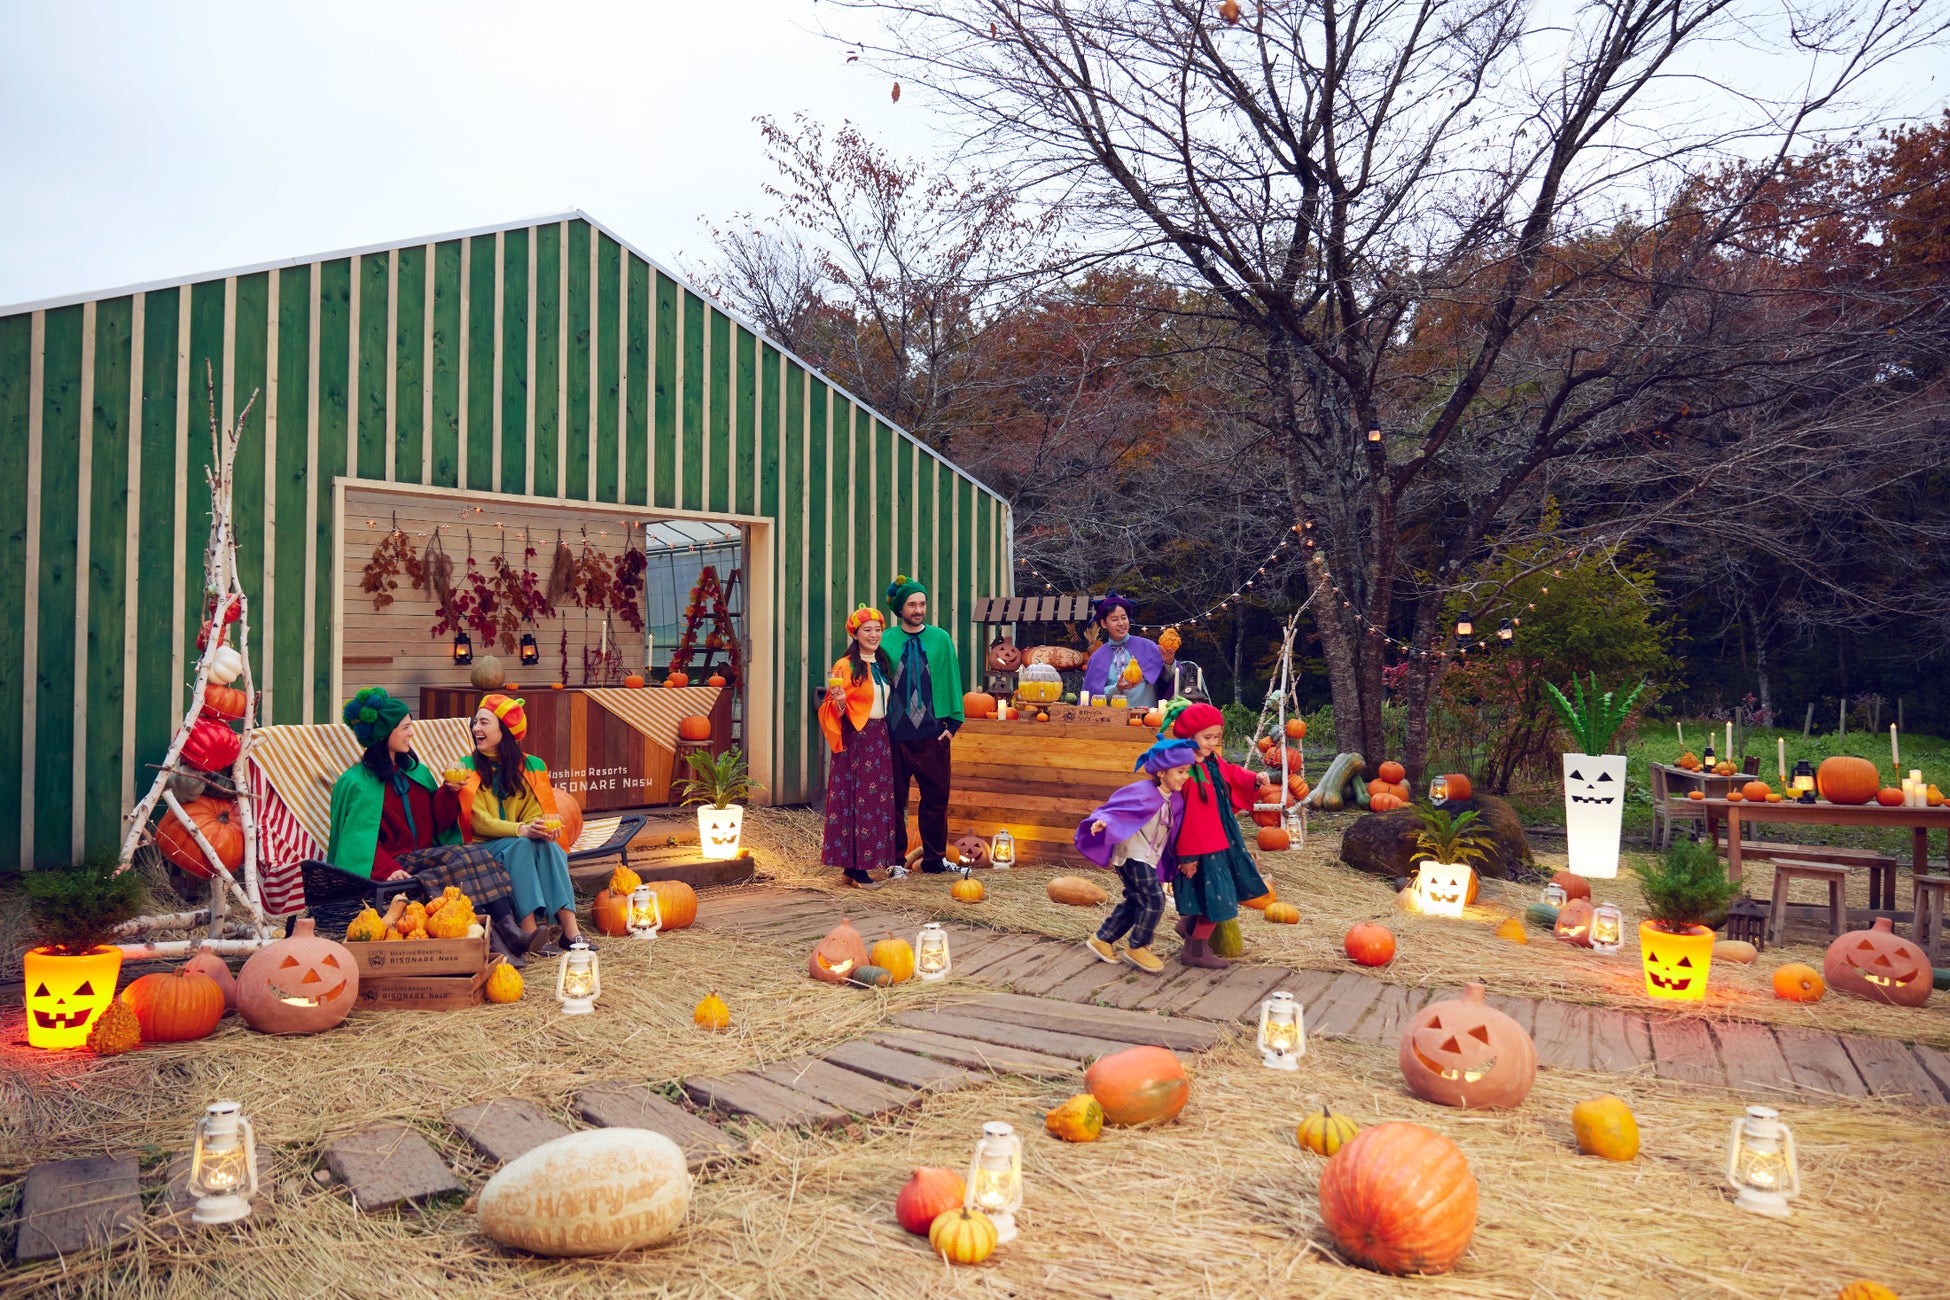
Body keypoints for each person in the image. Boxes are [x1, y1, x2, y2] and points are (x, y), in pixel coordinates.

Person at [325, 688, 534, 965]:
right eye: (406, 728)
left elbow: (439, 823)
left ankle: (508, 933)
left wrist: (448, 792)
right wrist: (388, 869)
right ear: (384, 734)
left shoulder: (416, 772)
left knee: (472, 856)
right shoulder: (357, 782)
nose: (411, 733)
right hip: (395, 864)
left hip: (426, 856)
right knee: (463, 859)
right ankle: (497, 942)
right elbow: (358, 841)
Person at [456, 693, 586, 952]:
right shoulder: (466, 767)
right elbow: (478, 821)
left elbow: (536, 810)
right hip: (480, 847)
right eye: (475, 723)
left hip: (519, 840)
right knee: (522, 846)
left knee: (550, 846)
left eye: (483, 723)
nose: (476, 729)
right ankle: (529, 932)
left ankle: (571, 933)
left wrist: (537, 827)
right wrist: (522, 830)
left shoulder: (532, 766)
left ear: (504, 729)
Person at [1157, 698, 1266, 969]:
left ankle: (1189, 928)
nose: (1212, 743)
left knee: (1213, 891)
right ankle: (1194, 950)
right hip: (1200, 843)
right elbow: (1189, 817)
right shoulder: (1187, 772)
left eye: (1216, 737)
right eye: (1207, 737)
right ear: (1189, 735)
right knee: (1220, 895)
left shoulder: (1211, 760)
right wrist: (1188, 855)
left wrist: (1252, 778)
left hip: (1221, 836)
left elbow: (1230, 772)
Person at [1074, 738, 1198, 973]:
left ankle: (1102, 938)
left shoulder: (1176, 799)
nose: (1185, 776)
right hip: (1132, 854)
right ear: (1161, 771)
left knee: (1136, 899)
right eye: (1180, 771)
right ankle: (1138, 946)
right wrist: (1103, 823)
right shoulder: (1142, 792)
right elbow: (1115, 809)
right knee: (1154, 899)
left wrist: (1184, 857)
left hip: (1150, 856)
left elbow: (1177, 830)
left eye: (1187, 771)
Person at [880, 574, 964, 873]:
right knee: (894, 802)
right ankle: (895, 861)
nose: (918, 609)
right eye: (912, 604)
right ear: (901, 608)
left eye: (922, 603)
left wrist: (951, 727)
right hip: (895, 734)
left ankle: (935, 859)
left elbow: (953, 679)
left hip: (933, 733)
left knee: (936, 801)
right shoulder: (886, 639)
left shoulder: (940, 639)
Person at [818, 606, 901, 888]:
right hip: (857, 736)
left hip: (880, 736)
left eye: (878, 630)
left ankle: (854, 870)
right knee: (856, 800)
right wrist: (840, 701)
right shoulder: (845, 665)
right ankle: (858, 870)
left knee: (874, 802)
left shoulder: (881, 663)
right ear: (855, 633)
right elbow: (835, 709)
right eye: (868, 630)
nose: (874, 635)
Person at [1080, 592, 1172, 710]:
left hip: (1146, 719)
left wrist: (1169, 663)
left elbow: (1168, 681)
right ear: (1103, 623)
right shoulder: (1097, 656)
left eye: (1124, 618)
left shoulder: (1148, 646)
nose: (1121, 623)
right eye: (1114, 619)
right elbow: (1092, 696)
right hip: (1112, 721)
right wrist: (1116, 688)